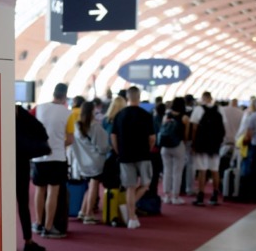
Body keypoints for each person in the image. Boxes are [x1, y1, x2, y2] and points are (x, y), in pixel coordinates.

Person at [110, 86, 155, 229]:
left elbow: (113, 136)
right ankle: (130, 210)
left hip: (125, 155)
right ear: (139, 97)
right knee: (145, 184)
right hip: (143, 154)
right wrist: (147, 149)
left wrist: (118, 151)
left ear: (127, 98)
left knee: (130, 187)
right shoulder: (146, 115)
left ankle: (131, 218)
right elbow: (152, 138)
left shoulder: (120, 115)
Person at [32, 83, 73, 238]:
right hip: (57, 157)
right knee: (53, 192)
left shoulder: (39, 108)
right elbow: (70, 139)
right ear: (65, 96)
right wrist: (57, 144)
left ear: (53, 93)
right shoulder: (68, 114)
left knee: (39, 189)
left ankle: (38, 223)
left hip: (39, 157)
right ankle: (49, 228)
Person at [15, 105, 48, 251]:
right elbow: (40, 130)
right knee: (22, 203)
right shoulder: (18, 111)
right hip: (20, 162)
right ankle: (28, 240)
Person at [70, 101, 109, 224]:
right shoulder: (95, 127)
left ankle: (82, 211)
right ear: (93, 112)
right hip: (95, 161)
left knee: (89, 186)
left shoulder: (76, 126)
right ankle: (88, 214)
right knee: (94, 186)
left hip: (82, 162)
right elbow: (103, 147)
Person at [190, 91, 226, 206]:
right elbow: (223, 126)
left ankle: (201, 195)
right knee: (215, 170)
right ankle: (215, 195)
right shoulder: (220, 109)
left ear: (203, 98)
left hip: (202, 144)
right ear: (211, 98)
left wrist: (193, 143)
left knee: (202, 170)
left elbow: (194, 127)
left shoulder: (199, 109)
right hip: (215, 145)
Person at [160, 97, 189, 205]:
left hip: (165, 146)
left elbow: (162, 129)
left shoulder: (166, 116)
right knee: (177, 172)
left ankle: (166, 195)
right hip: (178, 145)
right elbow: (186, 135)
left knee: (167, 171)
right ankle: (175, 196)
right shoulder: (185, 117)